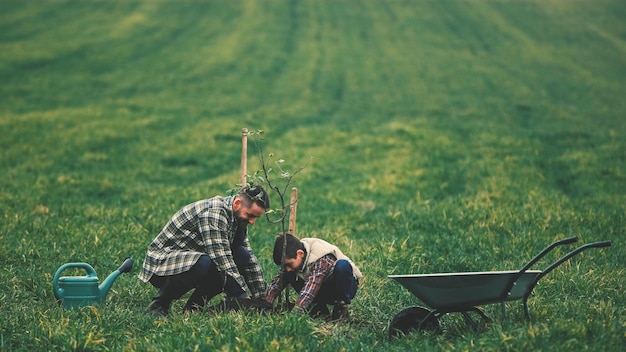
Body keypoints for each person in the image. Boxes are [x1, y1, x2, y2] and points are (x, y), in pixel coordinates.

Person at [138, 185, 270, 317]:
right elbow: (221, 258)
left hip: (192, 260)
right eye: (250, 215)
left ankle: (194, 307)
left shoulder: (237, 218)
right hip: (162, 265)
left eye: (255, 218)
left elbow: (249, 259)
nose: (252, 222)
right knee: (204, 262)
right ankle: (159, 304)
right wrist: (241, 296)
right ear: (237, 204)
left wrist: (262, 297)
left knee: (242, 255)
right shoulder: (214, 213)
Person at [264, 233, 363, 321]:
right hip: (322, 287)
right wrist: (266, 303)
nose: (287, 268)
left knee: (342, 266)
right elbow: (277, 283)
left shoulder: (320, 256)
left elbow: (311, 287)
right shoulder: (293, 254)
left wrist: (296, 313)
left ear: (300, 254)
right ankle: (319, 311)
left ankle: (341, 309)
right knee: (288, 273)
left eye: (289, 264)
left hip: (343, 286)